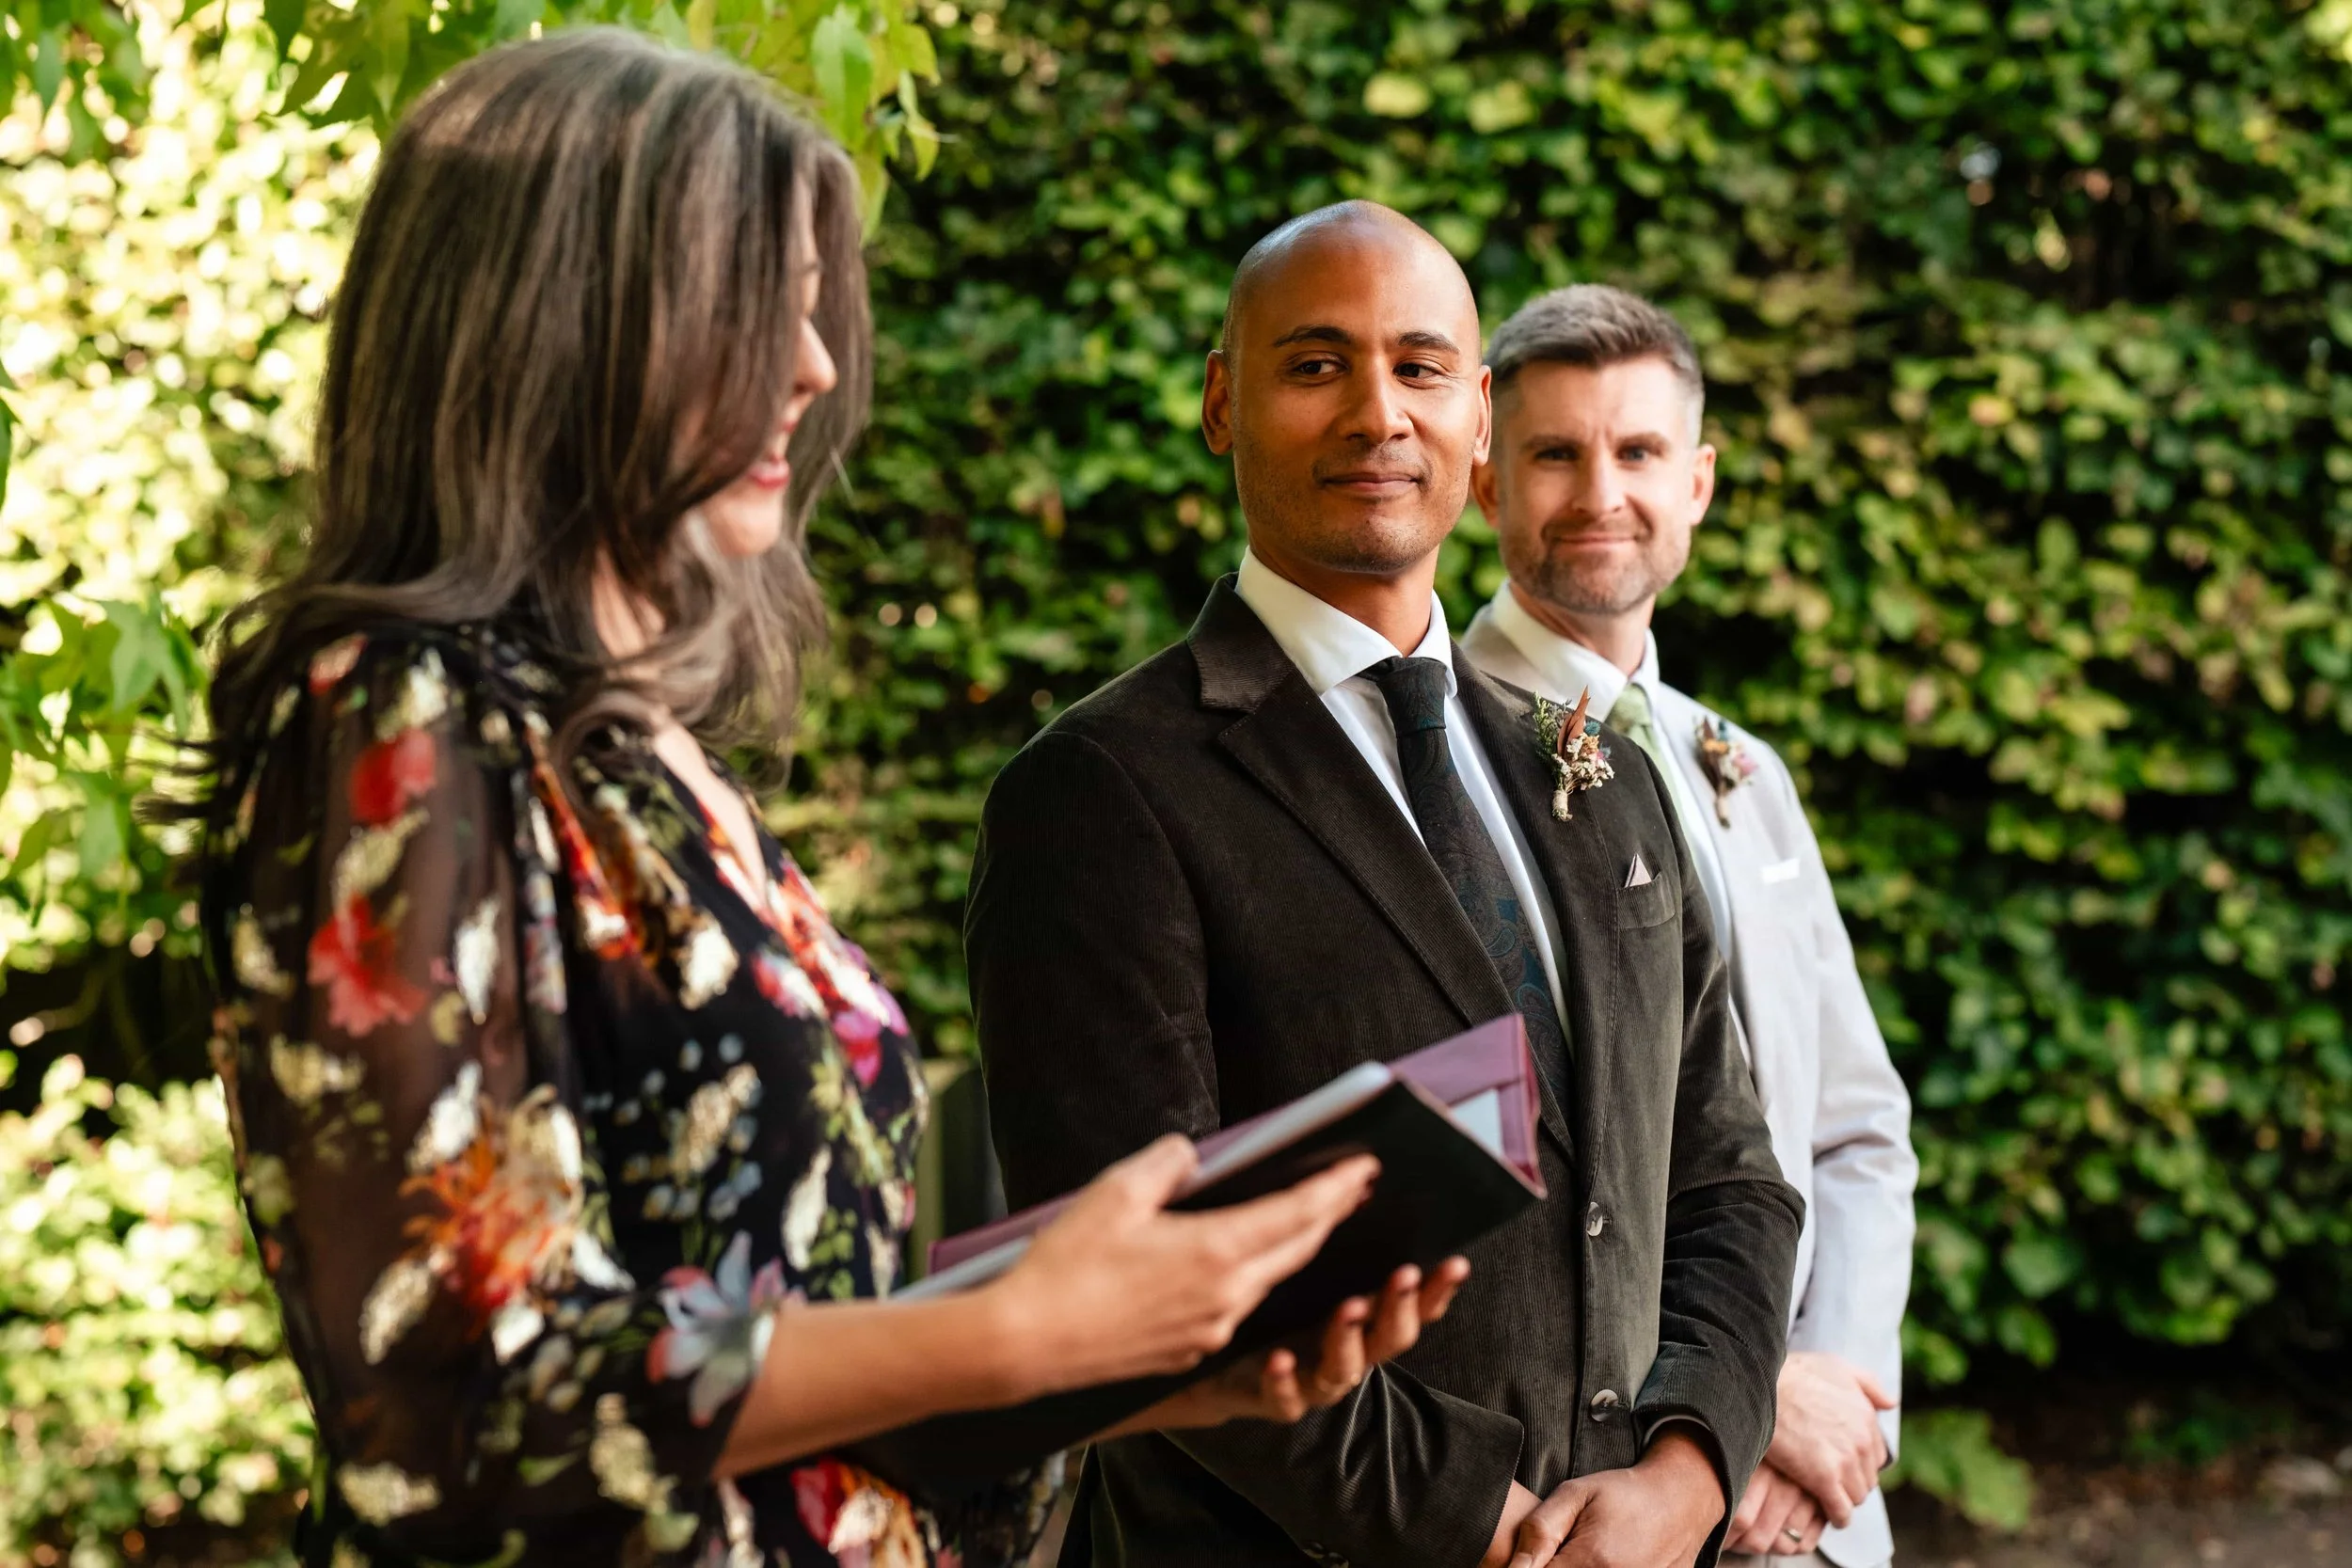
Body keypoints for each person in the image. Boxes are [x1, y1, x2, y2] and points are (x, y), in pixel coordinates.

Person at [190, 35, 1468, 1568]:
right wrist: (1021, 1333)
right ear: (566, 320)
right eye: (760, 306)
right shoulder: (394, 715)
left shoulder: (657, 761)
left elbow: (790, 1363)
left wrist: (1149, 1365)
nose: (813, 365)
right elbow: (450, 1397)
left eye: (813, 309)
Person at [964, 201, 1803, 1568]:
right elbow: (1136, 1277)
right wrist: (1489, 1523)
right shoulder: (1102, 792)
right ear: (1223, 405)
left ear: (1476, 419)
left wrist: (1689, 1467)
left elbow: (1729, 1179)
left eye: (1418, 367)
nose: (1376, 411)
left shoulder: (1595, 765)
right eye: (1314, 366)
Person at [1460, 284, 1918, 1568]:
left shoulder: (1744, 771)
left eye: (1640, 451)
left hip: (1818, 1500)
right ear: (1488, 477)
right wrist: (1739, 1409)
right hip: (1616, 1489)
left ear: (1699, 481)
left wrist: (1833, 1394)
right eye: (1556, 452)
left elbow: (1859, 1130)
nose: (1602, 490)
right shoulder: (1442, 769)